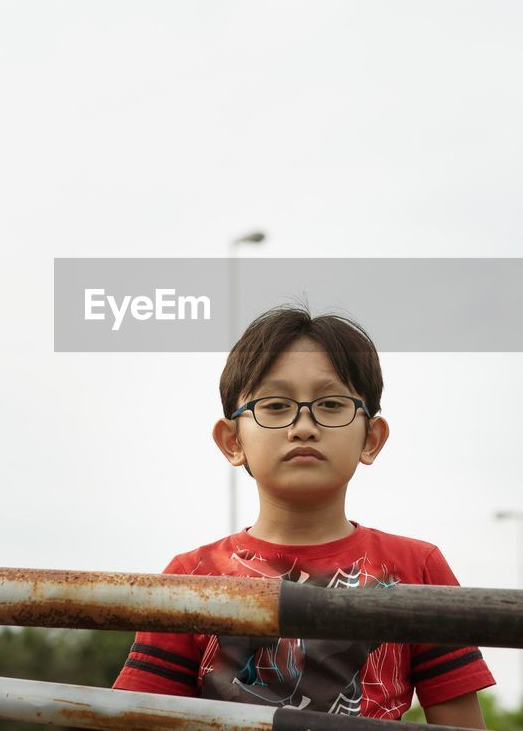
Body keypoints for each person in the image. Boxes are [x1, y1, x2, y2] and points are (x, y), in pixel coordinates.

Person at [112, 305, 495, 728]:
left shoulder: (417, 568)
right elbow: (136, 719)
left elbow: (461, 724)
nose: (304, 425)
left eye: (331, 404)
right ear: (231, 440)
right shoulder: (190, 577)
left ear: (371, 437)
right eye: (275, 406)